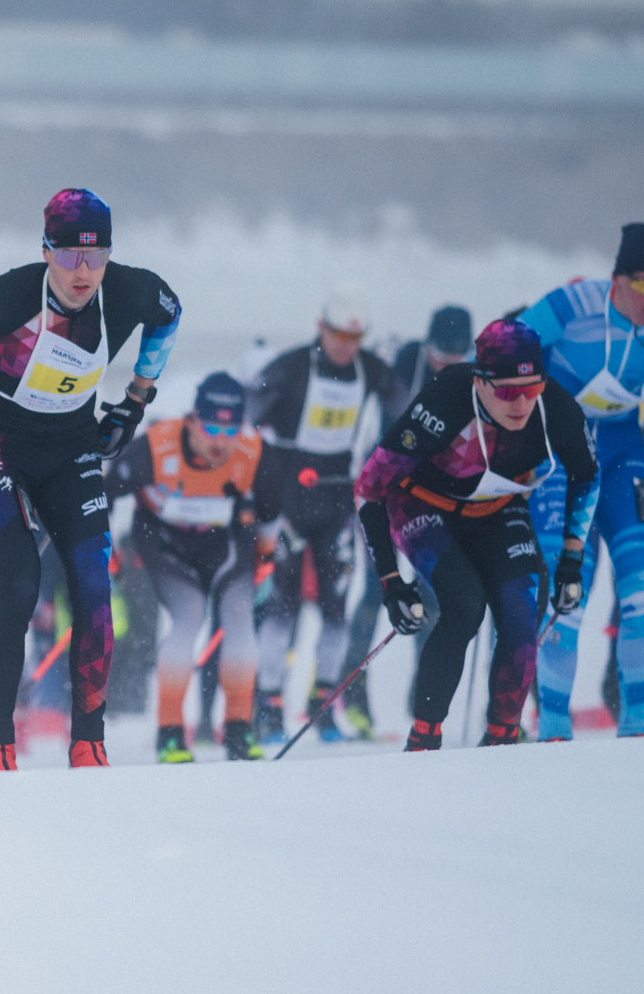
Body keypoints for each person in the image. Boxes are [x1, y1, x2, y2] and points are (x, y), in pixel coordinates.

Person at [0, 187, 180, 770]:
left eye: (96, 256)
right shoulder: (6, 297)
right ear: (46, 250)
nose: (84, 272)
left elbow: (170, 313)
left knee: (94, 590)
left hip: (71, 447)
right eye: (71, 255)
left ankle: (88, 743)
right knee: (21, 585)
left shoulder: (128, 290)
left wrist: (135, 401)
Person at [357, 320, 598, 749]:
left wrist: (571, 560)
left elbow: (587, 475)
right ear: (480, 381)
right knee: (465, 605)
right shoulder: (447, 398)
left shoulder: (555, 407)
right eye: (507, 392)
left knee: (523, 615)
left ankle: (502, 741)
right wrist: (391, 582)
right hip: (422, 504)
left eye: (531, 388)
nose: (521, 403)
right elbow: (370, 486)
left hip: (496, 508)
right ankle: (423, 739)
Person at [521, 220, 644, 739]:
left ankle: (636, 728)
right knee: (568, 597)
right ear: (618, 281)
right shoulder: (572, 306)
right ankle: (553, 726)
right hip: (561, 457)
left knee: (640, 592)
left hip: (624, 451)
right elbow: (501, 349)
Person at [106, 373, 283, 762]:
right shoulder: (156, 447)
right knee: (190, 614)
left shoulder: (254, 452)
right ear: (192, 421)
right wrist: (108, 555)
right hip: (164, 541)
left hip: (221, 541)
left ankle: (238, 728)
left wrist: (265, 560)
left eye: (230, 430)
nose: (221, 441)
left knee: (239, 612)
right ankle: (170, 733)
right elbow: (103, 496)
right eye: (211, 428)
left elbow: (271, 512)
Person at [249, 285, 395, 746]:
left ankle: (324, 706)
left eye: (354, 338)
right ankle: (268, 707)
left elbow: (404, 410)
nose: (345, 346)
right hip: (289, 501)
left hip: (337, 503)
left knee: (336, 610)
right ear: (321, 327)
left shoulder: (371, 369)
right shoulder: (291, 367)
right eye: (337, 335)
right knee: (282, 607)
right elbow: (245, 415)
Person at [338, 303, 473, 737]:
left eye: (456, 359)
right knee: (376, 590)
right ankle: (352, 694)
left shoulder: (474, 375)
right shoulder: (403, 361)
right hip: (384, 486)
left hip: (432, 498)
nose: (446, 366)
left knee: (432, 597)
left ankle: (423, 693)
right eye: (439, 356)